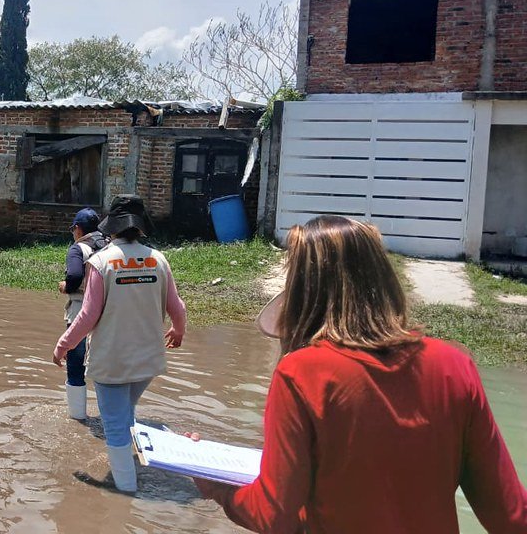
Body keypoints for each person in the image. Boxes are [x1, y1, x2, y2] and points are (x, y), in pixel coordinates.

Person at [194, 215, 527, 534]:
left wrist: (218, 487)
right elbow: (512, 517)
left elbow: (275, 516)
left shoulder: (300, 374)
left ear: (299, 297)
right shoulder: (455, 366)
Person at [53, 195, 186, 493]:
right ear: (140, 228)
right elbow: (177, 306)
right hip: (149, 361)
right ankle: (129, 460)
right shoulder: (158, 259)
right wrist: (178, 331)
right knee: (125, 410)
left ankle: (126, 493)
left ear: (111, 227)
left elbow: (87, 316)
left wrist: (63, 345)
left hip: (113, 360)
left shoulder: (101, 262)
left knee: (113, 425)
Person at [57, 208, 108, 420]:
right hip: (109, 310)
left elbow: (75, 276)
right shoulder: (109, 245)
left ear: (77, 229)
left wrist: (66, 286)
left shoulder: (78, 248)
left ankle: (78, 417)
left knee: (76, 364)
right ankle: (111, 416)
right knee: (105, 365)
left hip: (81, 310)